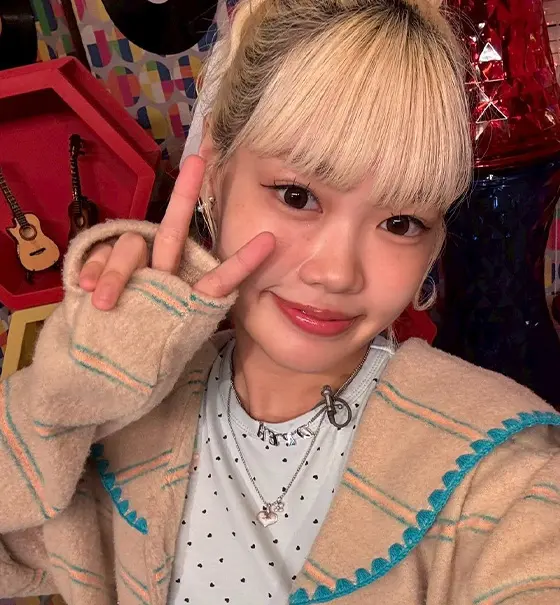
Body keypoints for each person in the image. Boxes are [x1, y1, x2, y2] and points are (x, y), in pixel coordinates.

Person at [1, 0, 560, 603]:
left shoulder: (501, 469)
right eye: (297, 195)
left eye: (401, 223)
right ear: (215, 176)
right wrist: (69, 391)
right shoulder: (123, 419)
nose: (336, 273)